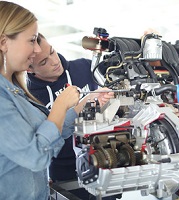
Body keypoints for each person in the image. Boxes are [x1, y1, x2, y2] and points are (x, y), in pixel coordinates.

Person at [0, 1, 80, 199]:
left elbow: (45, 134)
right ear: (3, 43)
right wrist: (60, 105)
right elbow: (36, 155)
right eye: (32, 40)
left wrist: (79, 109)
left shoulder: (14, 89)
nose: (37, 49)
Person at [27, 33, 117, 199]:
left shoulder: (84, 67)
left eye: (52, 52)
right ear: (29, 68)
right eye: (44, 62)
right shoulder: (30, 97)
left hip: (104, 158)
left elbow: (118, 69)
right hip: (63, 171)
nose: (55, 61)